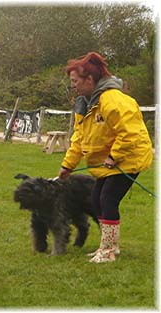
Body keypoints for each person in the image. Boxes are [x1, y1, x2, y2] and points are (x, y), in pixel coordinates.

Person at [58, 52, 153, 263]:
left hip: (128, 158)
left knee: (107, 199)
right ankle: (109, 246)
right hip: (106, 163)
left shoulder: (114, 101)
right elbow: (79, 138)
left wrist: (114, 156)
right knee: (96, 199)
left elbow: (130, 133)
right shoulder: (84, 104)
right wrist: (68, 165)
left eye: (75, 81)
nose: (72, 85)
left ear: (89, 80)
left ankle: (108, 251)